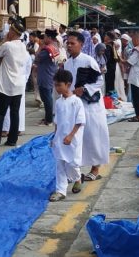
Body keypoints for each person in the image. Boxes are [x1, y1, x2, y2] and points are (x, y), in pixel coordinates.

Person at [62, 33, 109, 183]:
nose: (69, 46)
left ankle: (95, 168)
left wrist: (85, 89)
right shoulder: (67, 63)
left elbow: (99, 81)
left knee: (93, 136)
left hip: (90, 105)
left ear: (81, 45)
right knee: (76, 137)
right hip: (75, 105)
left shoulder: (89, 61)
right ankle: (75, 171)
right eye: (67, 43)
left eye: (72, 43)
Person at [0, 18, 29, 147]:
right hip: (19, 85)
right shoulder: (23, 46)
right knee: (14, 113)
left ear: (13, 32)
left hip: (6, 85)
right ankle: (12, 140)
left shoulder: (8, 45)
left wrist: (4, 41)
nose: (7, 32)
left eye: (10, 30)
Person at [49, 69, 85, 202]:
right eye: (56, 85)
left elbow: (80, 121)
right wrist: (55, 137)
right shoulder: (58, 102)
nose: (57, 88)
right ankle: (60, 190)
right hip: (60, 138)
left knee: (72, 163)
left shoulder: (76, 102)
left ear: (68, 84)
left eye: (59, 85)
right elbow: (57, 121)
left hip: (73, 138)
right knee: (60, 163)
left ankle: (77, 178)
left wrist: (71, 136)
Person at [34, 29, 59, 125]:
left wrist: (40, 47)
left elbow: (37, 57)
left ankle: (48, 120)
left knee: (46, 98)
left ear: (49, 37)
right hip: (50, 74)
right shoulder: (54, 47)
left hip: (45, 75)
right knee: (48, 97)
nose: (43, 39)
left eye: (45, 37)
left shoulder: (47, 49)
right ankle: (48, 118)